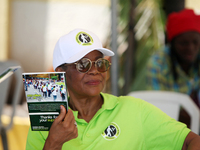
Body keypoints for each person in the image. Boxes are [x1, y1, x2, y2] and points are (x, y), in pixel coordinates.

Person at [26, 28, 200, 150]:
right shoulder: (47, 122)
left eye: (100, 63)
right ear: (61, 72)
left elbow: (190, 141)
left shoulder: (134, 110)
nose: (94, 71)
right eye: (83, 65)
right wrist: (54, 142)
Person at [146, 9, 200, 108]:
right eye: (183, 43)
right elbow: (157, 107)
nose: (191, 48)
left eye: (196, 42)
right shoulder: (157, 64)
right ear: (172, 43)